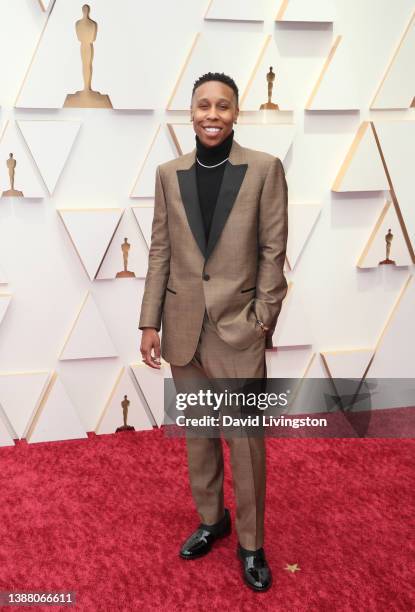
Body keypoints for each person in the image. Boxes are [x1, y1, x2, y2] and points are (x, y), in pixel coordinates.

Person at [139, 72, 288, 592]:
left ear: (235, 113)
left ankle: (251, 544)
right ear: (191, 110)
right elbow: (160, 250)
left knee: (245, 443)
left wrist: (261, 319)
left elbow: (273, 253)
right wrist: (148, 322)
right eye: (204, 104)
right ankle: (212, 521)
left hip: (238, 332)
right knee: (199, 438)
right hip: (182, 331)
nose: (212, 114)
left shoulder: (265, 170)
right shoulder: (167, 173)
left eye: (223, 106)